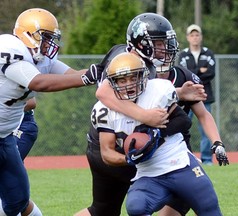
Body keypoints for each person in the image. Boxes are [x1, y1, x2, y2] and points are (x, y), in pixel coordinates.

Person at [75, 13, 208, 216]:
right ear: (141, 43)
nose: (164, 48)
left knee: (104, 210)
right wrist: (146, 117)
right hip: (111, 139)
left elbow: (153, 102)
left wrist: (179, 93)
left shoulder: (147, 65)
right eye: (159, 43)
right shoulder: (123, 58)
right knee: (176, 189)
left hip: (121, 140)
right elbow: (103, 92)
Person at [96, 52, 224, 216]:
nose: (128, 84)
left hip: (180, 164)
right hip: (149, 174)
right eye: (122, 80)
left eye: (133, 78)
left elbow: (183, 120)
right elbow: (106, 153)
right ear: (113, 83)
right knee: (136, 206)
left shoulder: (158, 90)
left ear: (143, 77)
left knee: (209, 207)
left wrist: (155, 134)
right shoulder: (102, 109)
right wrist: (130, 158)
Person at [0, 8, 99, 216]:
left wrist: (103, 70)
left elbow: (74, 75)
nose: (49, 43)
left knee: (18, 199)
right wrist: (87, 77)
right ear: (27, 34)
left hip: (5, 137)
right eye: (45, 37)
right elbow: (40, 83)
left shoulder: (42, 59)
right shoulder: (11, 49)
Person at [176, 24, 216, 165]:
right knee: (182, 126)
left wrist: (193, 73)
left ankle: (206, 159)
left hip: (205, 96)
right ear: (188, 37)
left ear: (201, 37)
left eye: (197, 35)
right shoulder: (183, 54)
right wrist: (200, 71)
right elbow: (184, 73)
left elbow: (210, 73)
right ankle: (185, 156)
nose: (195, 37)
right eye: (192, 35)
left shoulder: (208, 54)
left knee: (206, 128)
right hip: (187, 98)